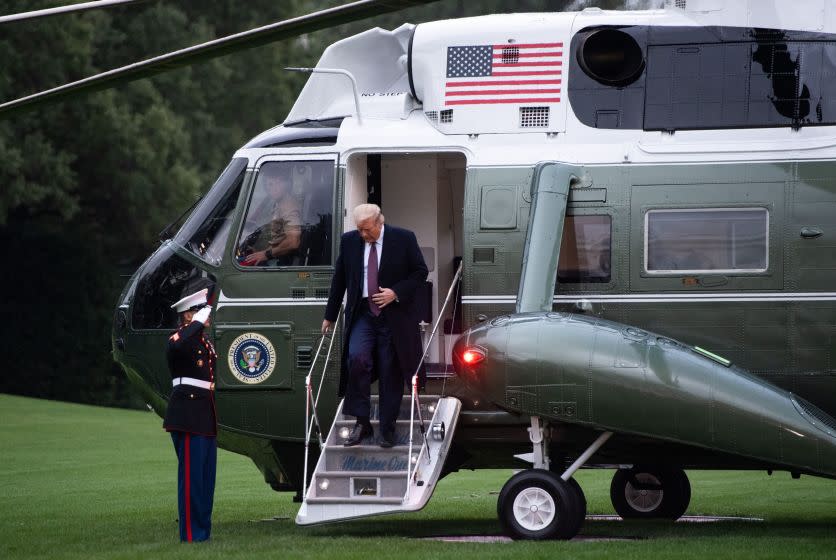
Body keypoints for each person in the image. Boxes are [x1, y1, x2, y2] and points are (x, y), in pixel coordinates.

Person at [322, 204, 428, 448]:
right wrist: (330, 315)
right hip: (362, 314)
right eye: (359, 230)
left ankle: (387, 428)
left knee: (391, 371)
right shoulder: (349, 242)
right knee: (356, 359)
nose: (363, 235)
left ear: (380, 223)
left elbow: (420, 272)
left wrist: (395, 292)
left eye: (366, 230)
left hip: (394, 316)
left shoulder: (403, 238)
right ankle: (362, 423)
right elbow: (340, 278)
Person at [163, 287, 217, 542]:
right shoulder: (179, 340)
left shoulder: (203, 342)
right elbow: (181, 344)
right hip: (186, 414)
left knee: (206, 479)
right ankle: (191, 534)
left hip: (204, 414)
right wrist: (195, 322)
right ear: (188, 316)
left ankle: (203, 532)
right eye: (200, 311)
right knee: (191, 479)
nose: (207, 316)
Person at [241, 167, 302, 266]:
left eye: (278, 183)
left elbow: (293, 241)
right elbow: (280, 240)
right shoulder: (279, 203)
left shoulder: (288, 206)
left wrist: (266, 254)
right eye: (270, 184)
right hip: (280, 258)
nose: (273, 188)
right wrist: (260, 253)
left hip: (285, 263)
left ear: (286, 184)